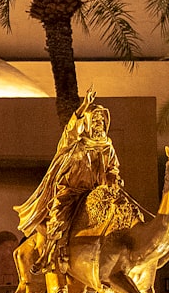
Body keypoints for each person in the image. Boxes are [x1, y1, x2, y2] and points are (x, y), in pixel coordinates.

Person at [15, 91, 122, 274]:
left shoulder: (107, 146)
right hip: (73, 190)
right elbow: (71, 129)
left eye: (101, 120)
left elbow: (113, 168)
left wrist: (114, 180)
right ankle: (49, 255)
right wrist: (84, 106)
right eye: (94, 120)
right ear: (87, 122)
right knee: (59, 214)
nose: (98, 124)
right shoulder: (75, 143)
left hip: (99, 191)